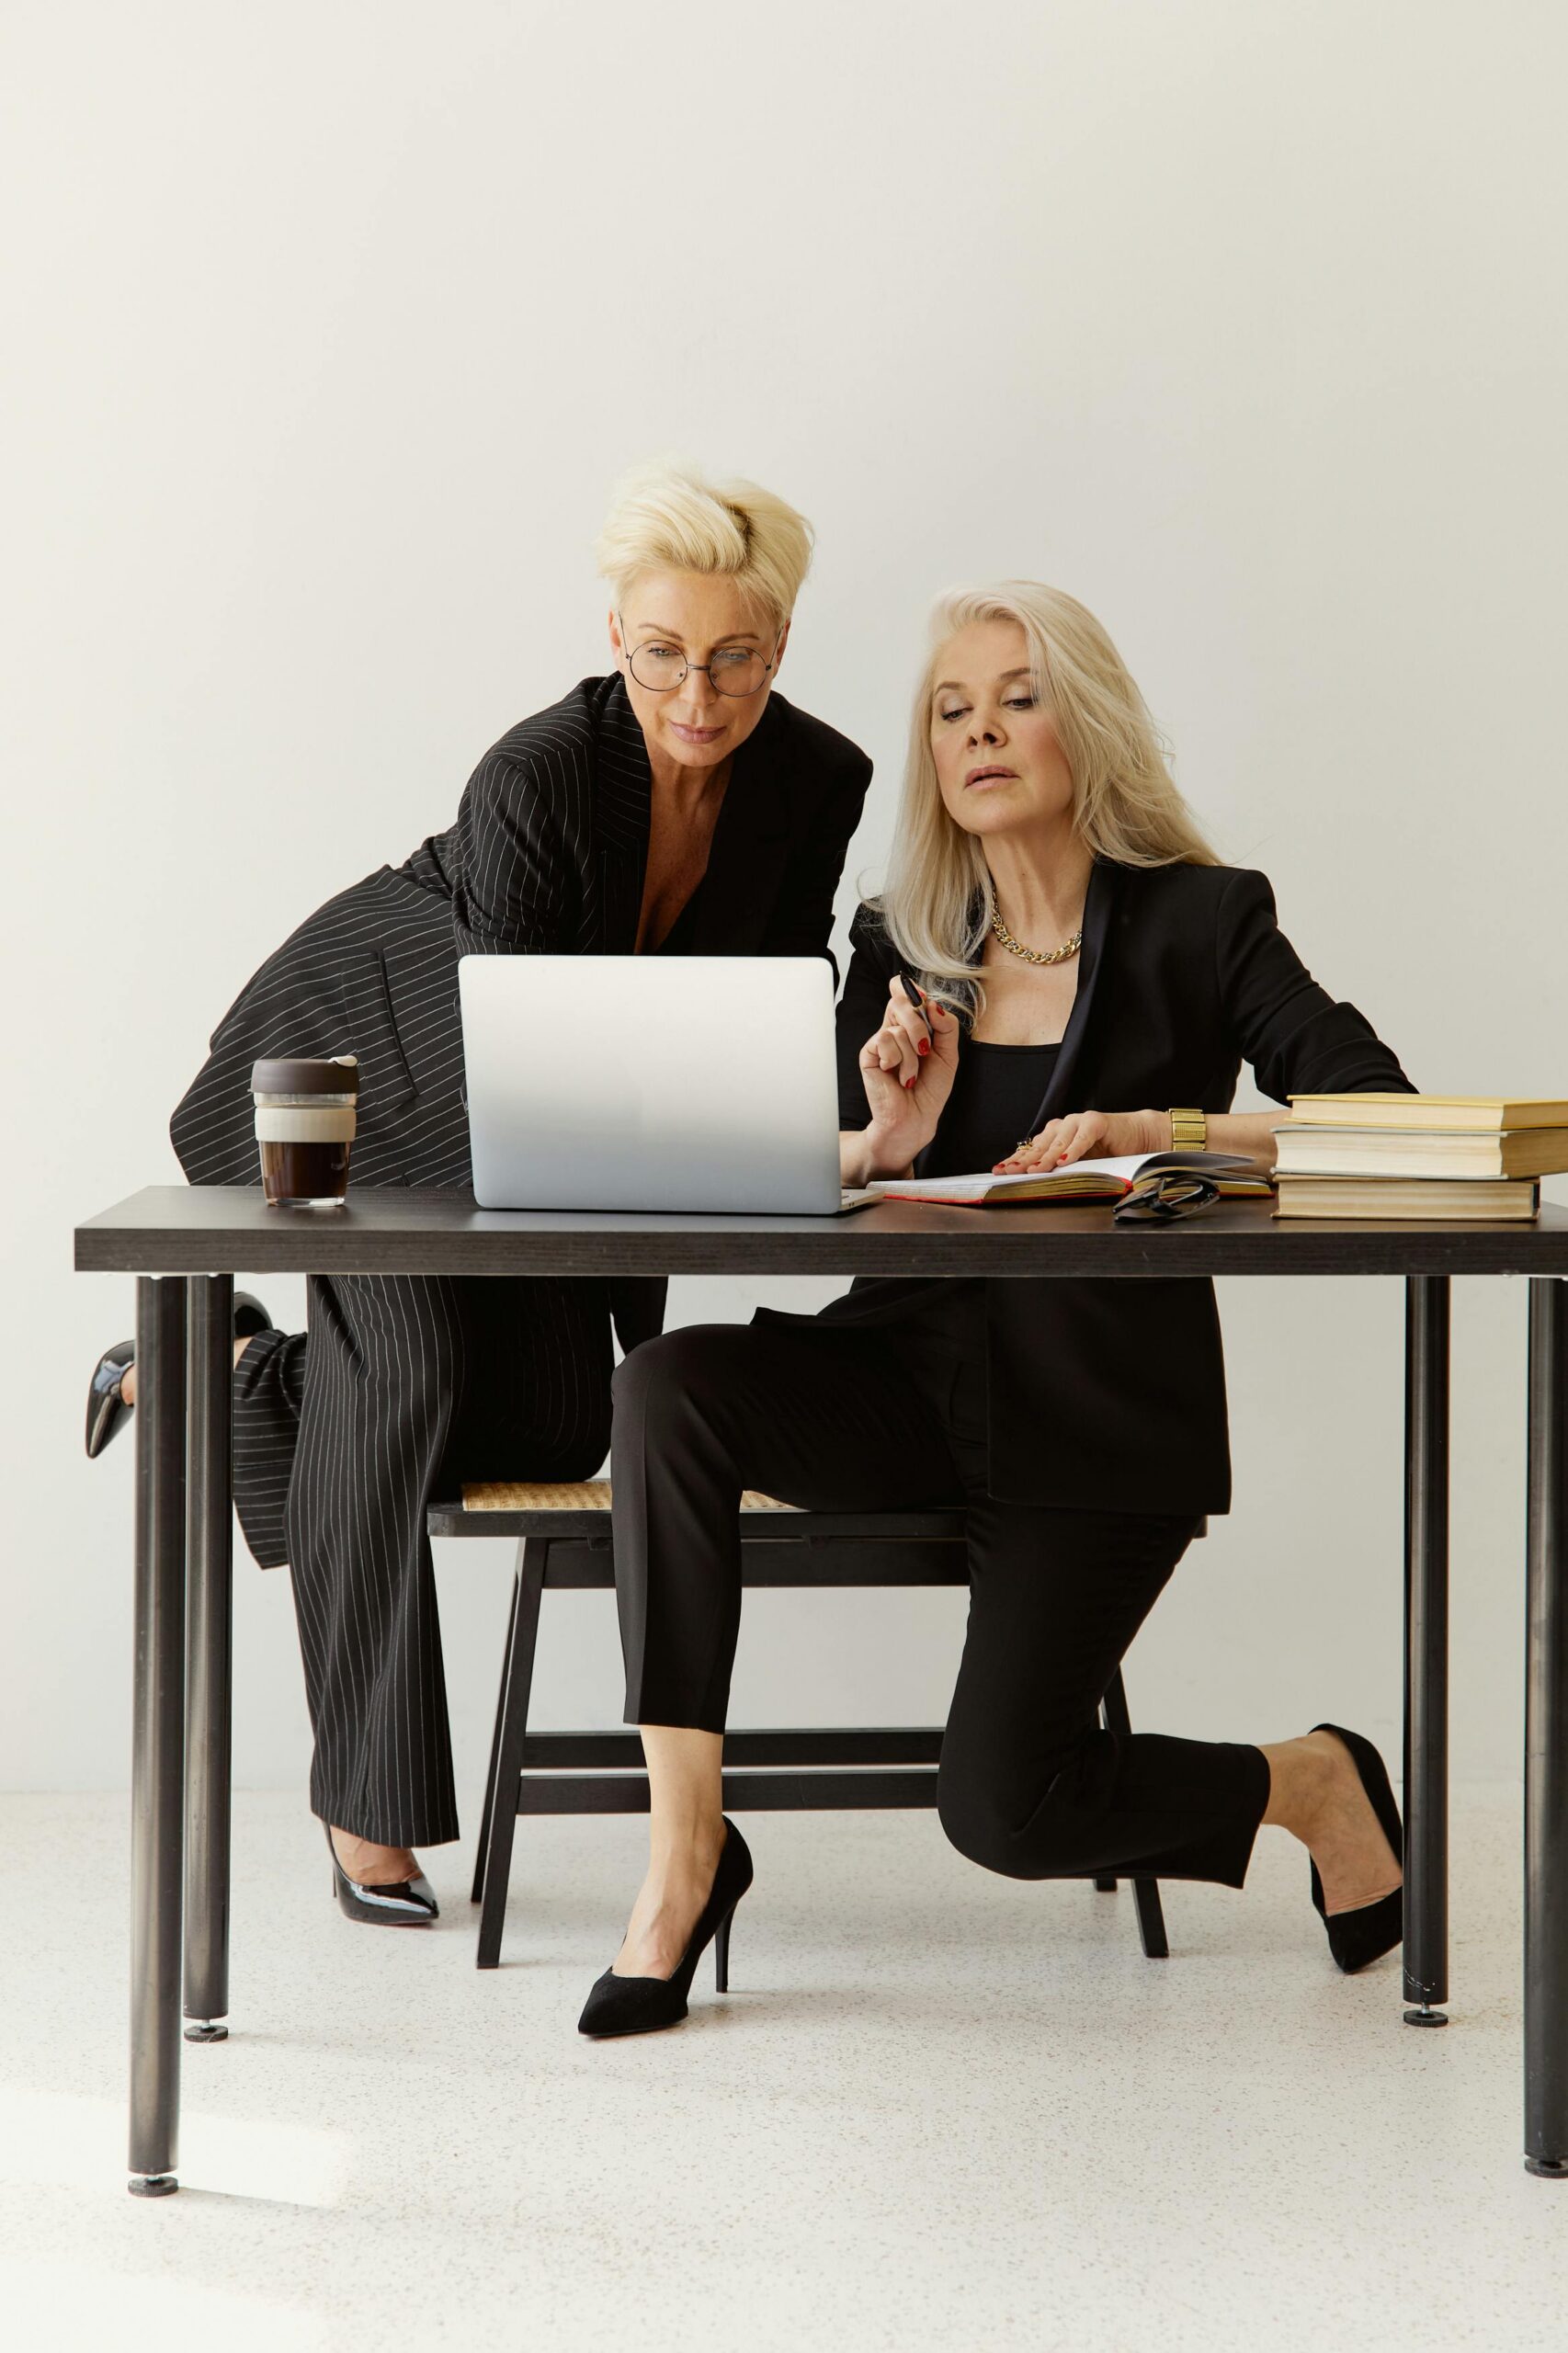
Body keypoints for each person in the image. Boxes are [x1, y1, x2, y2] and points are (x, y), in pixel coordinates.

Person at [579, 579, 1412, 2038]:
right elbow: (807, 1160)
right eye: (950, 711)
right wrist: (887, 1140)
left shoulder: (1202, 923)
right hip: (897, 1380)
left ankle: (1313, 1781)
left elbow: (1386, 1121)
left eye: (1014, 698)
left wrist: (1158, 1129)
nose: (979, 732)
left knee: (1006, 1814)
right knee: (670, 1388)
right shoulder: (904, 937)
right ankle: (685, 1852)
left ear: (1082, 725)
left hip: (1095, 1421)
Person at [86, 463, 872, 1922]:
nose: (694, 693)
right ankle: (366, 1812)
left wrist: (848, 1117)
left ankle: (236, 1379)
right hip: (378, 1052)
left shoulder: (817, 780)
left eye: (733, 658)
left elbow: (770, 1003)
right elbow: (528, 1055)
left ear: (779, 644)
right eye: (660, 655)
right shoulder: (538, 773)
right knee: (413, 1369)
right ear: (617, 638)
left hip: (559, 1099)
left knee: (560, 1420)